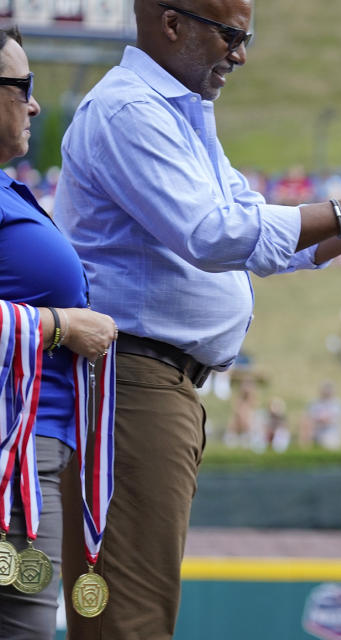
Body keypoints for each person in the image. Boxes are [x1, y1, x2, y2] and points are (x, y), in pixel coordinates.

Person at [53, 2, 341, 638]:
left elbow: (259, 240)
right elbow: (212, 235)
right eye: (230, 34)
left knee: (141, 599)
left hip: (155, 382)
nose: (241, 53)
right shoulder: (130, 111)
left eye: (246, 36)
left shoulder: (179, 111)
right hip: (134, 381)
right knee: (133, 611)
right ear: (171, 22)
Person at [0, 26, 117, 638]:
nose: (35, 104)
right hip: (10, 453)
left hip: (30, 452)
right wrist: (60, 324)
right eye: (24, 86)